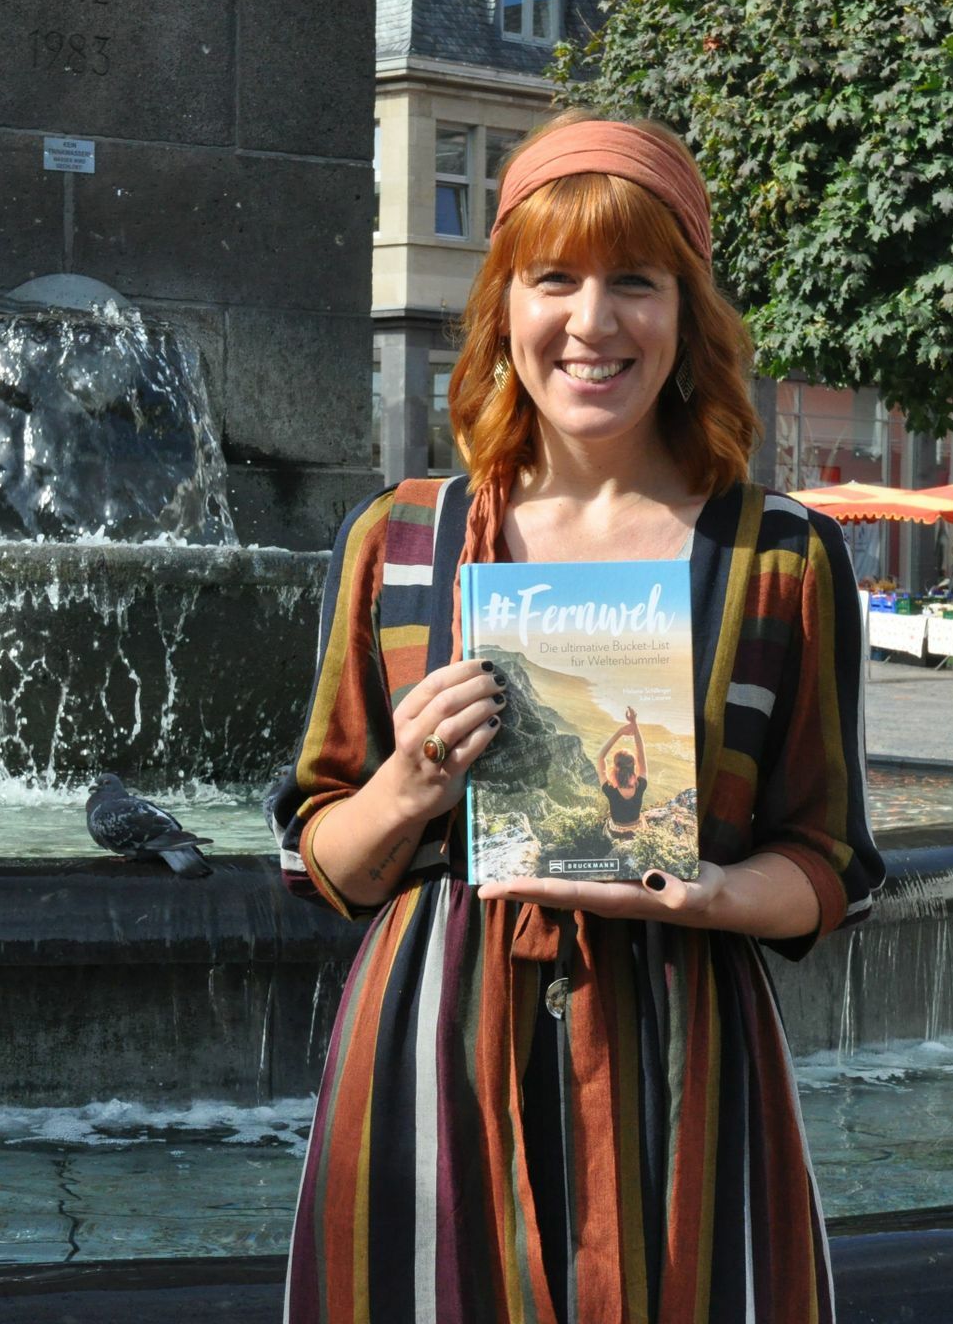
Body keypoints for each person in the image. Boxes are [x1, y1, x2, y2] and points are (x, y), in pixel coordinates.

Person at [268, 112, 885, 1323]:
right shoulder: (397, 540)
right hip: (433, 1058)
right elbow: (319, 858)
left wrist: (712, 890)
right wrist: (405, 786)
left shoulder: (782, 555)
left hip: (684, 1058)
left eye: (634, 282)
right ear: (503, 306)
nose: (591, 321)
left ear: (687, 314)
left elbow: (833, 861)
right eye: (552, 278)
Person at [595, 706, 648, 836]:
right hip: (637, 832)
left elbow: (600, 757)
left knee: (608, 822)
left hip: (615, 832)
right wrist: (634, 724)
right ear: (634, 765)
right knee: (642, 818)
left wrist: (619, 733)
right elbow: (641, 752)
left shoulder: (609, 788)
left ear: (616, 766)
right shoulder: (641, 784)